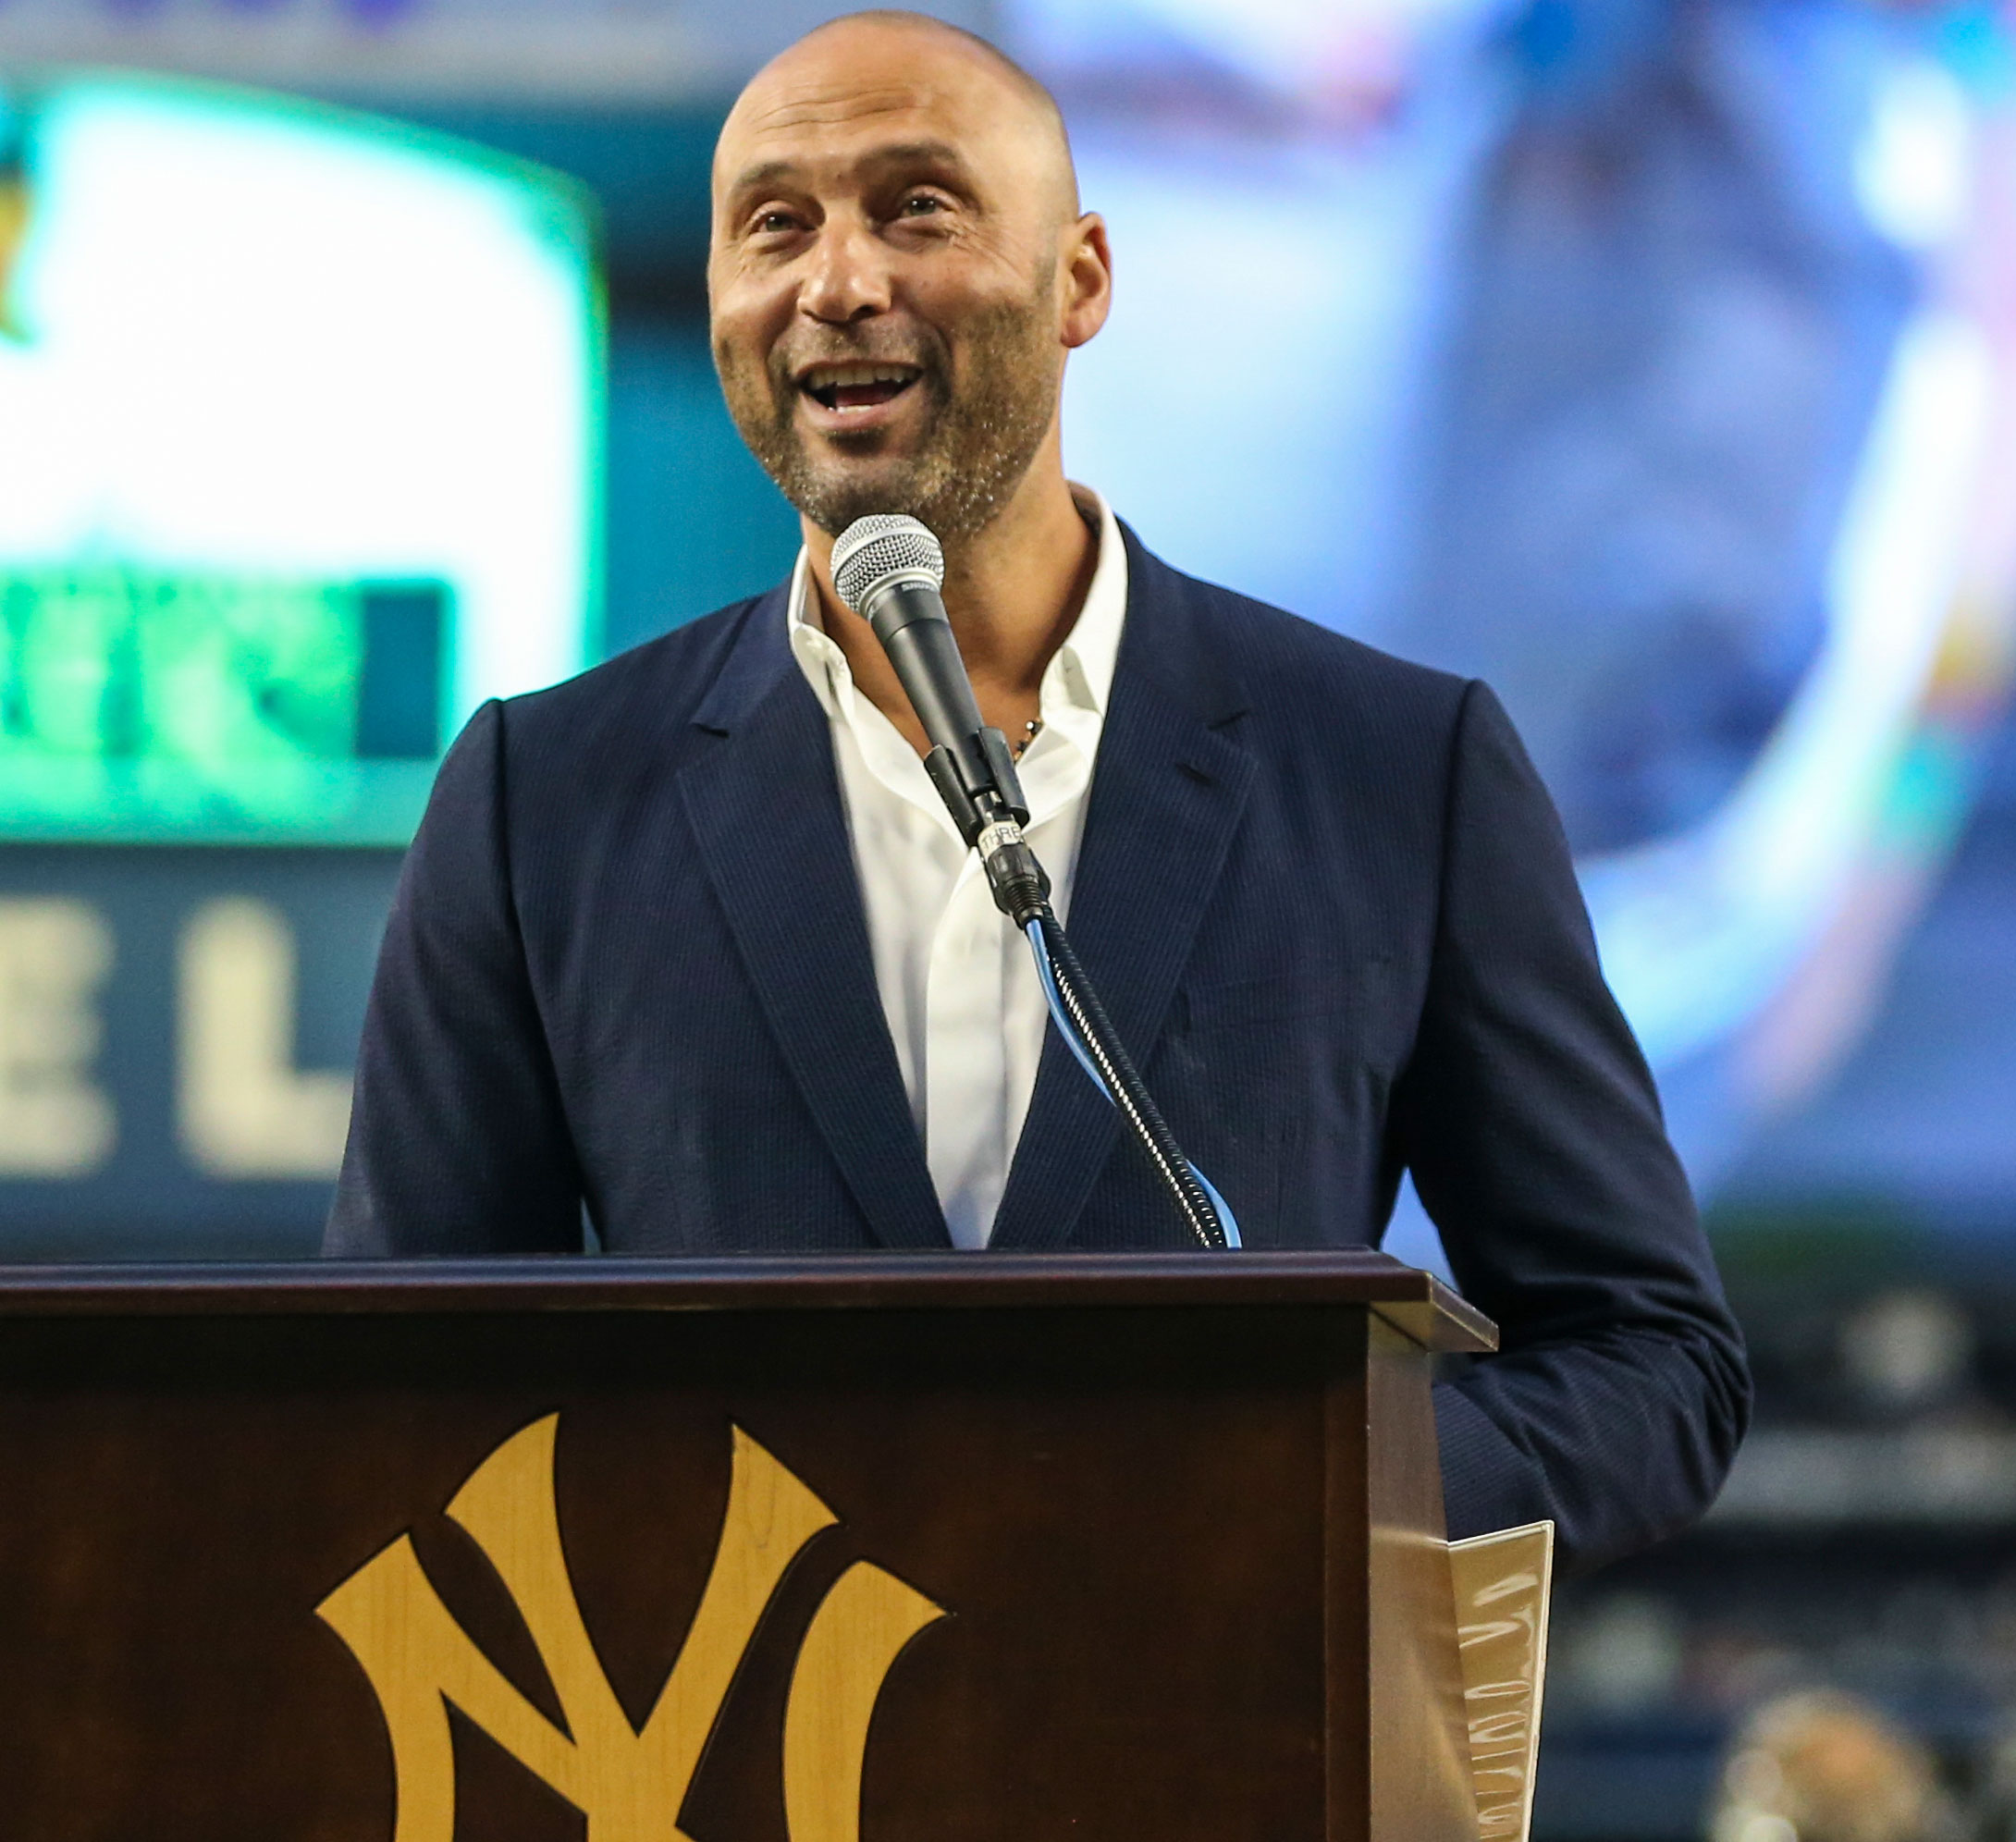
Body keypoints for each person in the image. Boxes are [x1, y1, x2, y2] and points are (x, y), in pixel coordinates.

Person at [325, 9, 1748, 1571]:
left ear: (1079, 278)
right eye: (774, 225)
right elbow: (403, 1385)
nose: (839, 279)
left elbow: (1645, 1361)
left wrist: (1311, 1486)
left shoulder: (1396, 772)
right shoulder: (545, 796)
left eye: (915, 207)